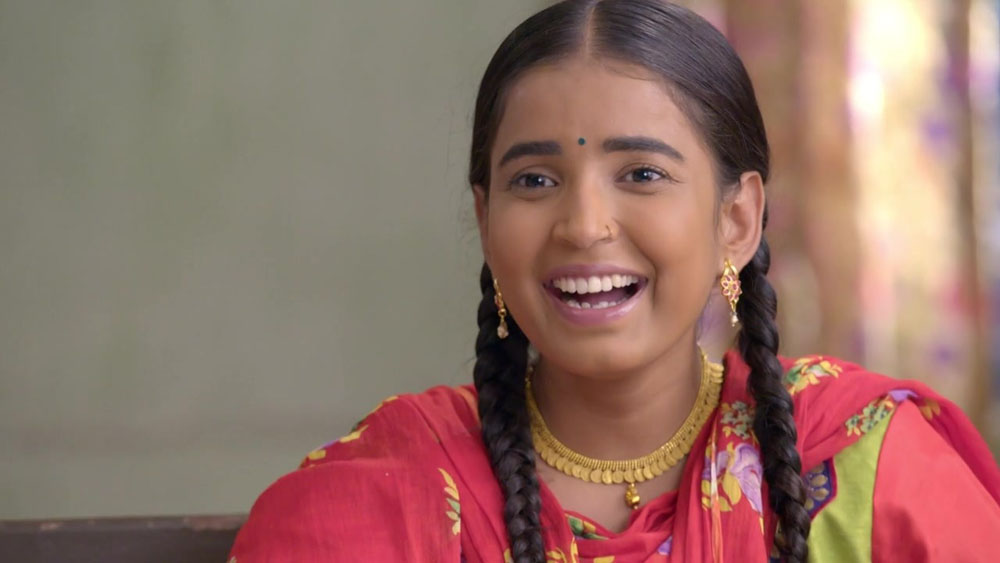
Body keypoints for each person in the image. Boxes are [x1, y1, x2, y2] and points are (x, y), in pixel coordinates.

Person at [227, 1, 1000, 561]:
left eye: (641, 173)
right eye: (535, 180)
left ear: (737, 218)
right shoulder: (387, 495)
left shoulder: (872, 468)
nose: (584, 224)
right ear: (486, 218)